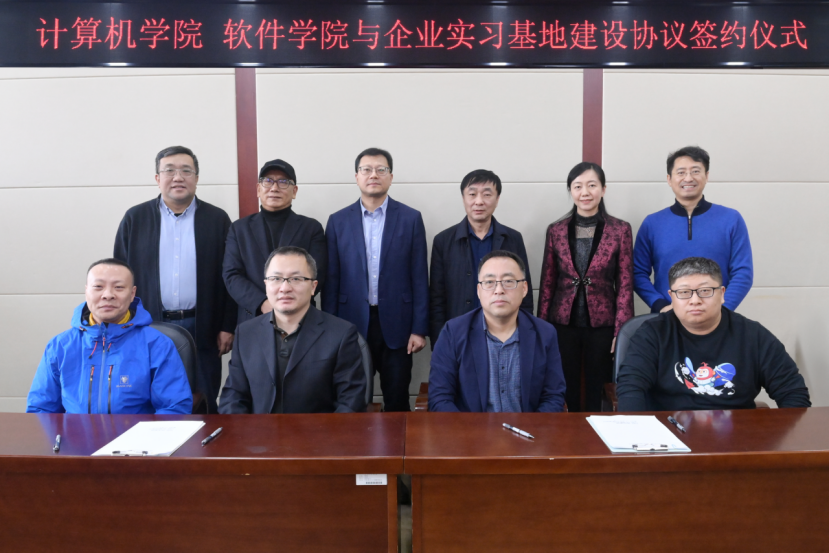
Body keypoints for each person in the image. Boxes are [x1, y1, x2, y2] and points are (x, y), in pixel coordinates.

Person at [114, 145, 235, 413]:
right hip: (148, 325)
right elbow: (118, 277)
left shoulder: (217, 219)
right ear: (158, 178)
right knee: (150, 401)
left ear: (197, 178)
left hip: (203, 327)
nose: (178, 177)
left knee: (203, 402)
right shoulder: (135, 218)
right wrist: (123, 324)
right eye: (169, 171)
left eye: (186, 171)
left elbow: (230, 277)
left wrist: (228, 325)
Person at [617, 257, 810, 412]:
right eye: (684, 292)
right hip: (668, 433)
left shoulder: (753, 336)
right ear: (671, 296)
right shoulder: (652, 333)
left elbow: (793, 393)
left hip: (738, 435)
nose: (695, 300)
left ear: (722, 293)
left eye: (705, 291)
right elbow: (631, 387)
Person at [323, 147, 428, 412]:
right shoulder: (337, 221)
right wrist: (330, 329)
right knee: (353, 400)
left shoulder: (411, 218)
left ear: (390, 177)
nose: (373, 175)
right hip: (350, 323)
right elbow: (332, 280)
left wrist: (419, 328)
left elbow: (419, 277)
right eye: (366, 169)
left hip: (398, 324)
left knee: (397, 399)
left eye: (381, 170)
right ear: (356, 176)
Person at [27, 259, 192, 414]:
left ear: (132, 293)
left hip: (137, 435)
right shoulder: (60, 345)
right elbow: (41, 409)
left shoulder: (157, 344)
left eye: (118, 287)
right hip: (74, 435)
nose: (107, 295)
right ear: (86, 291)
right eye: (98, 287)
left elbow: (174, 408)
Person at [219, 247, 366, 414]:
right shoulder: (246, 333)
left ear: (313, 286)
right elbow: (233, 397)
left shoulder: (341, 333)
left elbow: (351, 402)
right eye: (276, 278)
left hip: (319, 430)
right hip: (257, 430)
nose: (284, 288)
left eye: (296, 279)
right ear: (266, 285)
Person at [537, 162, 634, 412]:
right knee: (563, 382)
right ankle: (568, 429)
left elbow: (625, 283)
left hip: (602, 323)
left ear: (603, 189)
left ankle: (596, 429)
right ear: (570, 190)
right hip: (562, 322)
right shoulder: (556, 230)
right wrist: (541, 327)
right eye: (578, 186)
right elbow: (547, 282)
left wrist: (621, 330)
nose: (585, 192)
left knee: (598, 384)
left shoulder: (620, 229)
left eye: (592, 185)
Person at [429, 250, 566, 413]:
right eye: (489, 282)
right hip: (470, 428)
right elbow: (440, 398)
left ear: (524, 288)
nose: (499, 290)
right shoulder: (453, 333)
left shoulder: (545, 334)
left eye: (508, 281)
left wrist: (531, 427)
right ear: (479, 291)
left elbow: (553, 396)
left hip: (528, 428)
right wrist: (468, 429)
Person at [634, 146, 753, 314]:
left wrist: (722, 310)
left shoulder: (731, 219)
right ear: (669, 179)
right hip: (667, 317)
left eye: (695, 171)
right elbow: (637, 272)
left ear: (707, 176)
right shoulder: (652, 223)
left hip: (717, 317)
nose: (688, 178)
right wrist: (659, 305)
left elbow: (743, 272)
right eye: (681, 172)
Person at [429, 169, 533, 348]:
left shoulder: (513, 238)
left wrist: (524, 335)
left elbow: (525, 293)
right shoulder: (443, 241)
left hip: (505, 334)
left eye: (487, 194)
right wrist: (440, 342)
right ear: (463, 198)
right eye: (472, 194)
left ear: (497, 199)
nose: (479, 201)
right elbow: (437, 298)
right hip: (458, 334)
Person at [223, 158, 327, 326]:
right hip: (253, 317)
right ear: (258, 189)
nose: (274, 188)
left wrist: (286, 304)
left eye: (283, 182)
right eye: (268, 181)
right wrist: (263, 303)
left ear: (294, 191)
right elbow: (232, 275)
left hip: (300, 318)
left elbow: (317, 274)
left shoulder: (311, 228)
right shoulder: (239, 229)